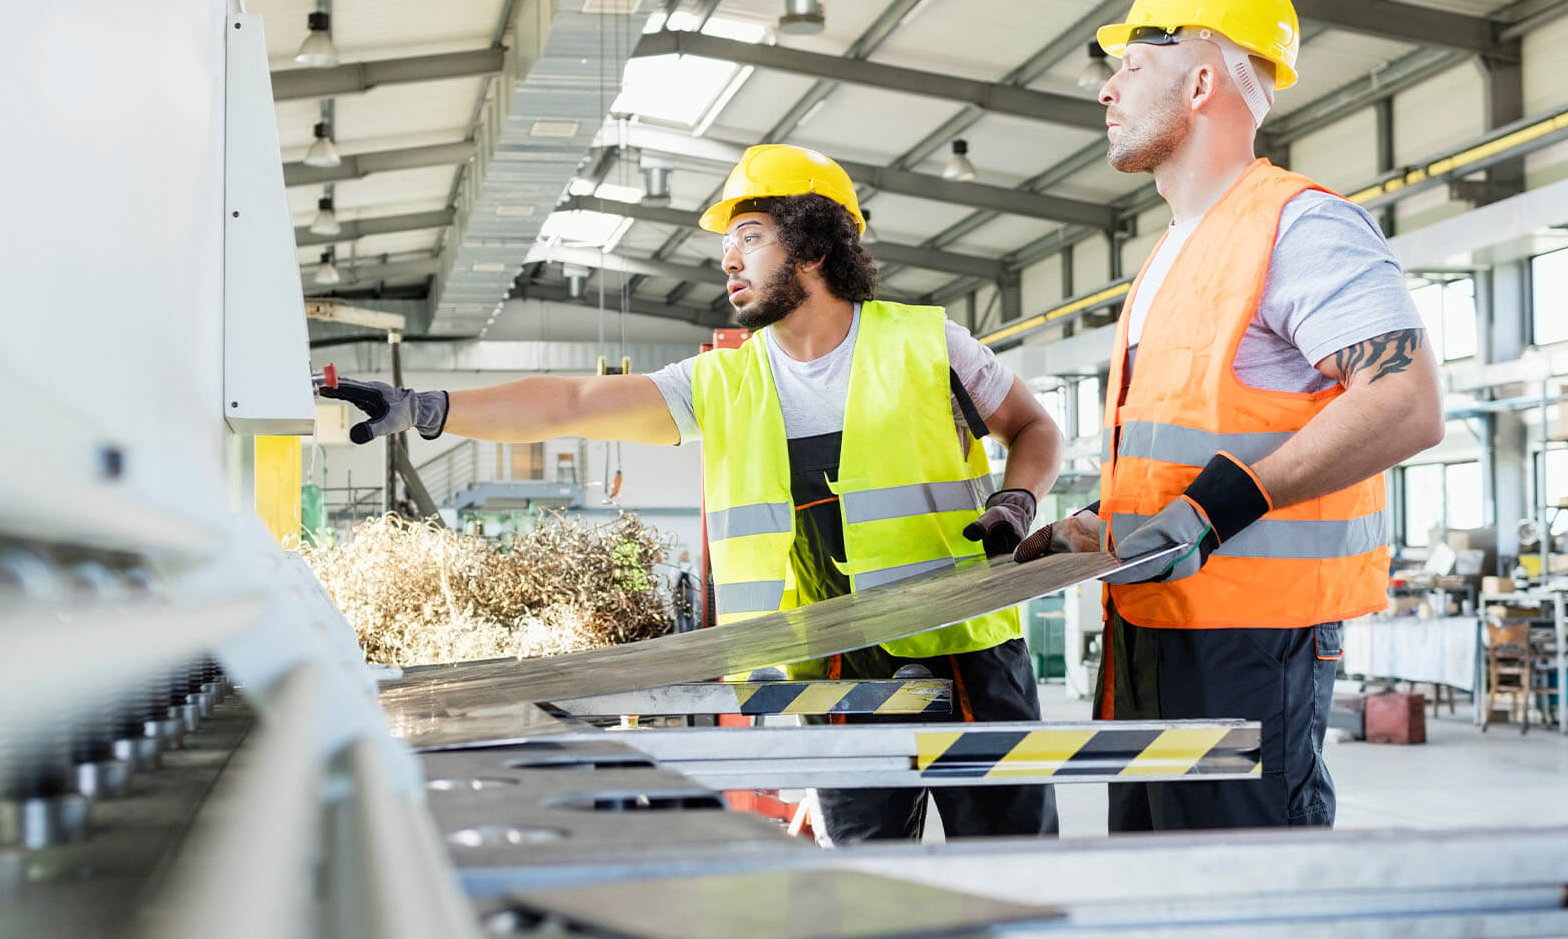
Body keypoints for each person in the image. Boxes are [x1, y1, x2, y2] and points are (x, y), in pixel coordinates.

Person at [320, 144, 1063, 843]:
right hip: (833, 668)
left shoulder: (927, 343)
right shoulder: (720, 382)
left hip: (969, 652)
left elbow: (1034, 428)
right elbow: (573, 402)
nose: (728, 259)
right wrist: (427, 407)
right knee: (869, 882)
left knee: (1017, 867)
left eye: (750, 236)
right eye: (727, 244)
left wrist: (1018, 501)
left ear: (813, 246)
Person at [1014, 0, 1444, 831]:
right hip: (1150, 626)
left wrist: (1212, 511)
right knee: (1165, 879)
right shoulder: (1173, 253)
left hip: (1250, 639)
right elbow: (1201, 434)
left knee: (1243, 880)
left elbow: (1407, 401)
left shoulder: (1299, 224)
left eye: (1133, 66)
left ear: (1203, 82)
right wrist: (1106, 520)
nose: (1107, 91)